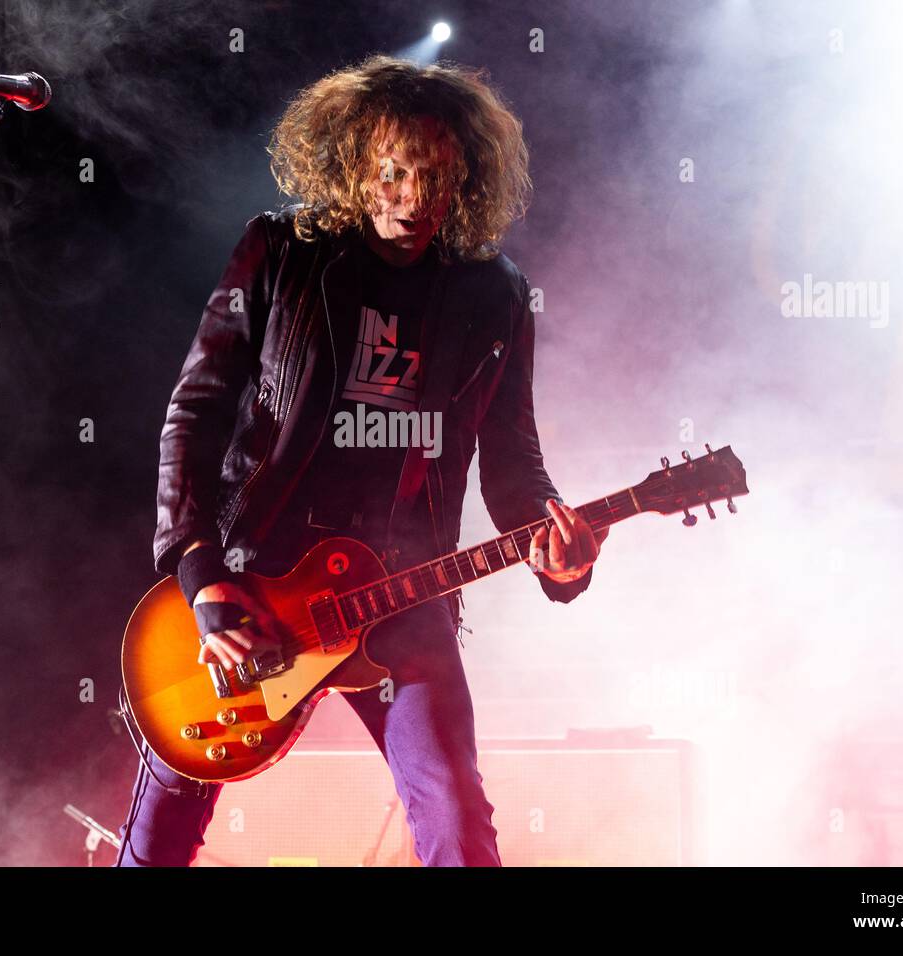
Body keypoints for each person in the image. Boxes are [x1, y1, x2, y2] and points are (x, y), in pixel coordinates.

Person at [116, 54, 604, 867]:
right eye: (393, 174)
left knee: (456, 821)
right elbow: (193, 415)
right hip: (258, 579)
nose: (414, 200)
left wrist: (559, 559)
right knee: (167, 818)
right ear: (352, 166)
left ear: (465, 179)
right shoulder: (280, 253)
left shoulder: (496, 295)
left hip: (403, 592)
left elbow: (514, 463)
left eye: (435, 177)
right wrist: (203, 583)